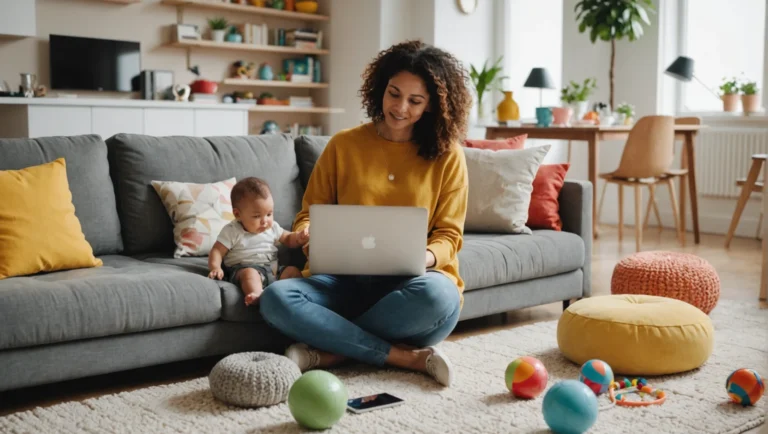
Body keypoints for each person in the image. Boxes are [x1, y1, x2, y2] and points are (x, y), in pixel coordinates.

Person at [259, 40, 472, 387]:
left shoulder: (448, 155)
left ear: (433, 105)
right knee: (277, 298)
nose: (400, 107)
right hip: (340, 281)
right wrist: (312, 236)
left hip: (410, 288)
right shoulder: (344, 145)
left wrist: (426, 257)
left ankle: (332, 349)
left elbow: (450, 236)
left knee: (439, 296)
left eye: (415, 101)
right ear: (380, 89)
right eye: (394, 94)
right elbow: (307, 215)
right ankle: (403, 356)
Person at [208, 177, 309, 306]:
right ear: (238, 214)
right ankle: (257, 295)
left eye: (269, 214)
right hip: (243, 269)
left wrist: (299, 237)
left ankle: (299, 296)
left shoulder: (272, 227)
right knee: (250, 274)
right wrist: (215, 267)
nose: (265, 221)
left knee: (292, 271)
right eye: (257, 216)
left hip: (273, 271)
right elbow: (217, 250)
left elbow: (288, 239)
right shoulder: (232, 231)